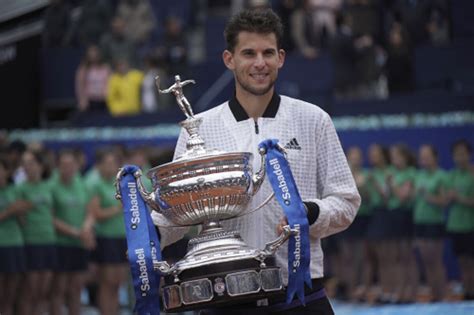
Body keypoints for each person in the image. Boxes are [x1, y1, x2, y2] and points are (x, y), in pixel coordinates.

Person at [152, 8, 360, 314]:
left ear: (281, 58)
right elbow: (178, 215)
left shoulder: (313, 120)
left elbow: (346, 202)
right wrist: (147, 235)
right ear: (229, 59)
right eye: (248, 53)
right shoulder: (199, 128)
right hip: (223, 296)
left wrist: (309, 213)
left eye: (268, 53)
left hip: (301, 295)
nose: (260, 63)